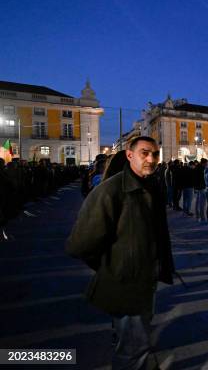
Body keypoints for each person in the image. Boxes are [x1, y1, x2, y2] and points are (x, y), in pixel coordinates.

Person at [65, 136, 175, 369]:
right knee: (132, 351)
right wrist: (113, 267)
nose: (151, 159)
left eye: (155, 154)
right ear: (129, 155)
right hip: (127, 282)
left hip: (146, 280)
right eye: (144, 153)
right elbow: (80, 245)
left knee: (137, 341)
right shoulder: (110, 191)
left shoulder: (151, 186)